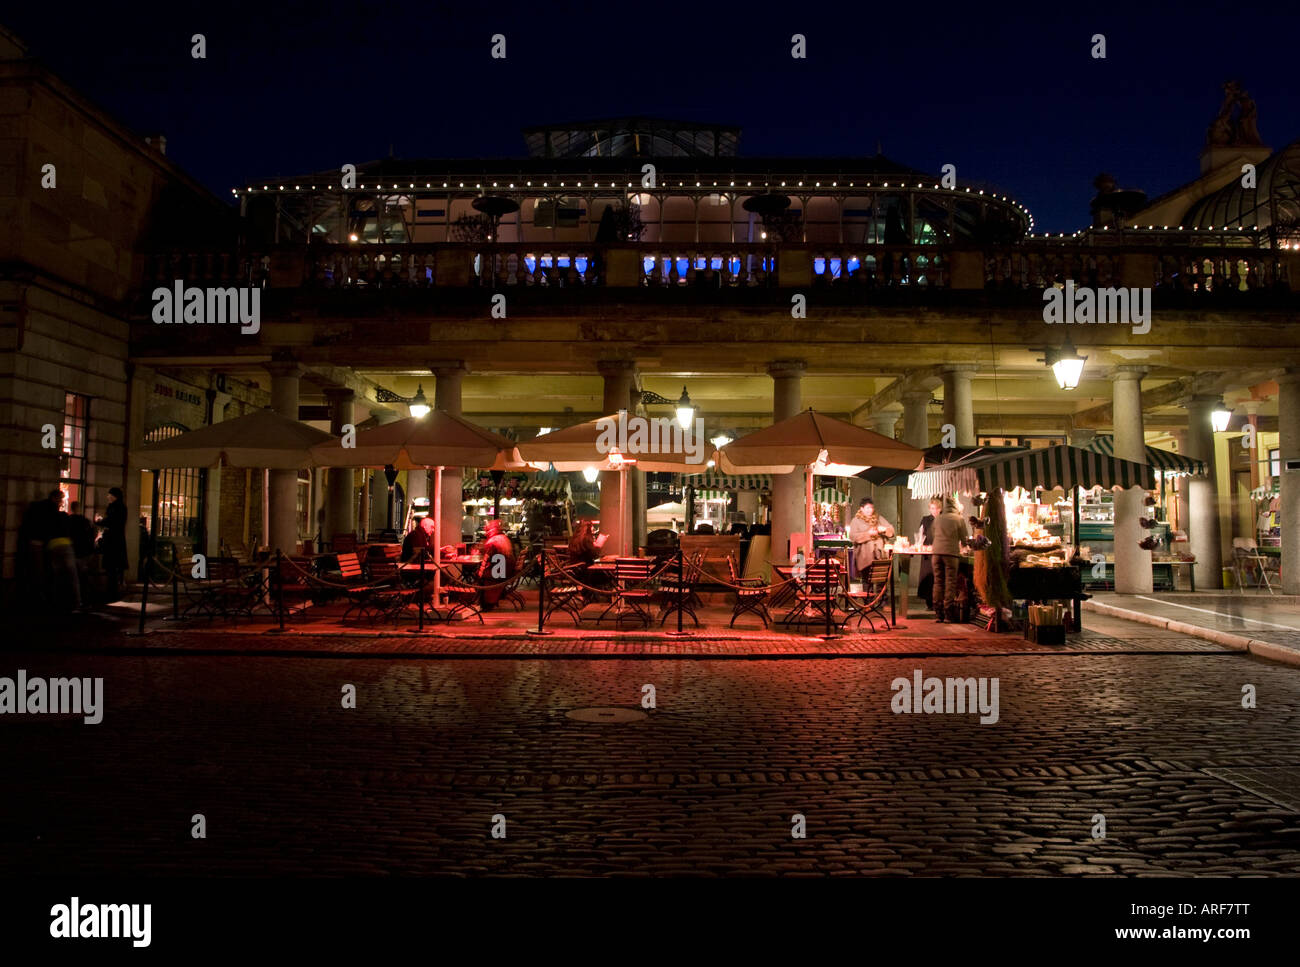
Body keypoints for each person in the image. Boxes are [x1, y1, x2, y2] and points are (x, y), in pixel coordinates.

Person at [931, 495, 971, 624]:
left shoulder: (938, 519)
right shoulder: (958, 519)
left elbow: (932, 534)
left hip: (936, 554)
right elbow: (964, 539)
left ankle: (938, 613)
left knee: (938, 582)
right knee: (950, 583)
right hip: (951, 555)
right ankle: (948, 614)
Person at [96, 488, 128, 601]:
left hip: (112, 541)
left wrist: (99, 521)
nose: (108, 497)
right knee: (114, 568)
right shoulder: (121, 507)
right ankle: (114, 591)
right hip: (117, 541)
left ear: (115, 496)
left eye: (109, 495)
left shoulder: (115, 508)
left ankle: (112, 592)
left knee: (111, 568)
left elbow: (111, 521)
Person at [849, 497, 895, 575]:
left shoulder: (878, 518)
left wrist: (884, 529)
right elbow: (853, 536)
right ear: (862, 509)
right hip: (864, 556)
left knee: (881, 579)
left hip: (880, 555)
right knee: (867, 580)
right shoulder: (856, 521)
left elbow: (891, 531)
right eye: (867, 508)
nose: (870, 510)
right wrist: (868, 534)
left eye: (871, 508)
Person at [476, 520, 516, 609]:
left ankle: (485, 603)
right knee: (480, 573)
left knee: (479, 574)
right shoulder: (504, 538)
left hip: (498, 574)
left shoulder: (493, 541)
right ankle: (488, 601)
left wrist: (480, 571)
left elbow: (487, 558)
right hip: (507, 572)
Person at [67, 501, 97, 608]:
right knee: (83, 576)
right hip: (84, 552)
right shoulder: (85, 521)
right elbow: (93, 534)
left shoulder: (69, 520)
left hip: (73, 550)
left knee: (74, 577)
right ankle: (86, 600)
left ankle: (76, 600)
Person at [916, 498, 943, 610]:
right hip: (927, 552)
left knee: (938, 577)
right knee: (928, 577)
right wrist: (920, 544)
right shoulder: (926, 519)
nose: (934, 511)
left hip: (940, 551)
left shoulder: (943, 520)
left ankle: (938, 602)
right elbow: (921, 534)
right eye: (932, 508)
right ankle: (929, 601)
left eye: (936, 508)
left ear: (940, 509)